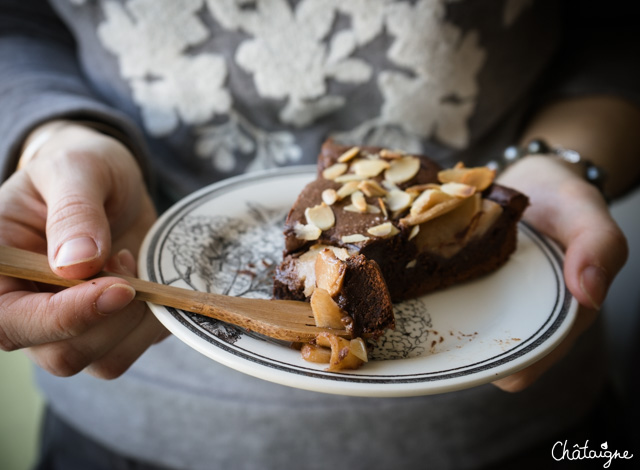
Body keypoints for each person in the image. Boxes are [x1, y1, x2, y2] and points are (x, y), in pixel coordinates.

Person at [1, 0, 639, 468]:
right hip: (125, 433)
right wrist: (56, 136)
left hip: (540, 434)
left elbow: (613, 33)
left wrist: (564, 161)